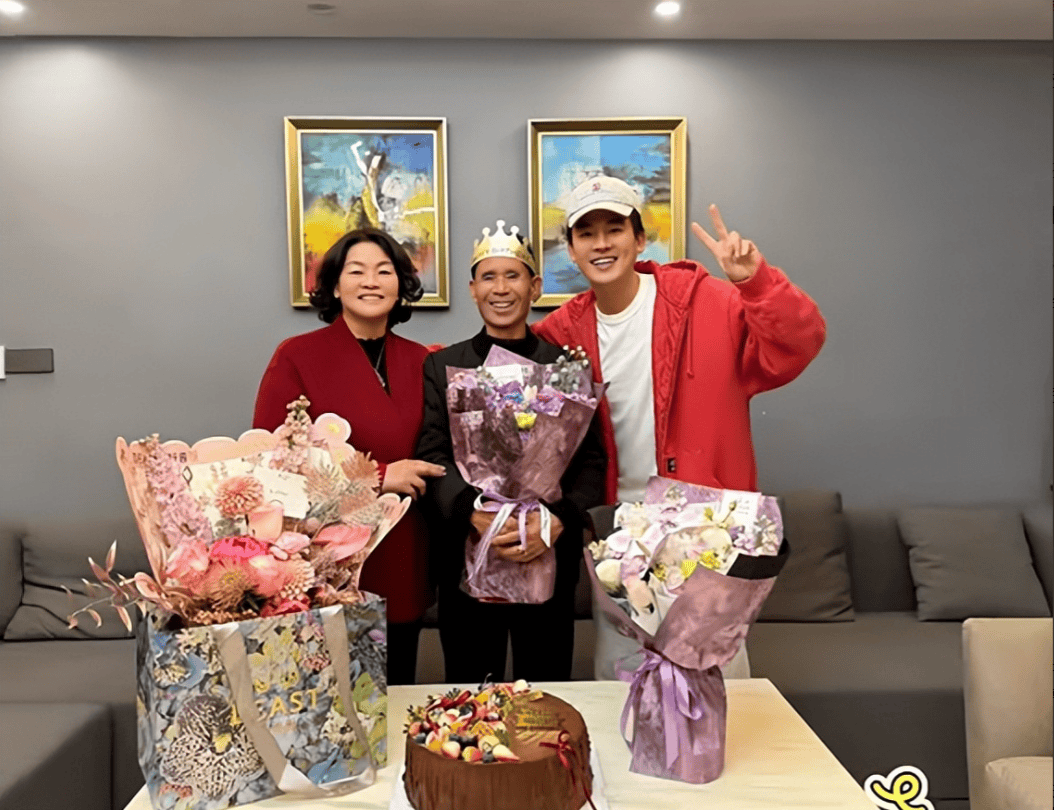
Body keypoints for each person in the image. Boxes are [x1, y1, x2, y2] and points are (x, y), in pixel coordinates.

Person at [533, 175, 826, 679]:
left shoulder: (707, 301)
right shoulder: (561, 332)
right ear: (573, 251)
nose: (601, 243)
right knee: (623, 684)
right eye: (586, 233)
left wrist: (756, 283)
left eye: (614, 229)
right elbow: (501, 380)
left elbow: (798, 343)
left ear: (639, 239)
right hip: (618, 537)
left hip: (708, 532)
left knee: (716, 683)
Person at [415, 220, 606, 683]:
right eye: (489, 277)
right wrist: (474, 512)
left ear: (534, 286)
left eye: (513, 276)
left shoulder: (566, 367)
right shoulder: (443, 365)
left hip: (546, 550)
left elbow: (590, 462)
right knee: (470, 690)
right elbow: (433, 452)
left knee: (544, 691)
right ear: (473, 290)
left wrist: (555, 519)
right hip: (469, 551)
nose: (501, 289)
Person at [253, 227, 445, 685]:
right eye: (356, 271)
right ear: (336, 286)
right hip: (327, 563)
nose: (371, 281)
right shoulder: (298, 356)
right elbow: (272, 462)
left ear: (400, 284)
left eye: (384, 271)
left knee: (396, 695)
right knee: (333, 701)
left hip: (405, 551)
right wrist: (377, 476)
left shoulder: (423, 360)